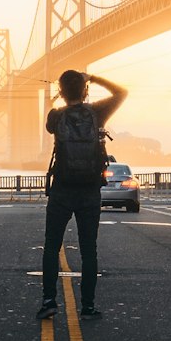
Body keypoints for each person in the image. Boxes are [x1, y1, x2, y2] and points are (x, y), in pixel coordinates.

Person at [37, 70, 127, 321]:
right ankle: (87, 306)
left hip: (62, 190)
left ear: (62, 92)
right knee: (89, 250)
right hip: (89, 191)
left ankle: (48, 302)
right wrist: (95, 78)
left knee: (52, 247)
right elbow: (122, 92)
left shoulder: (56, 116)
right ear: (84, 90)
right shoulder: (97, 113)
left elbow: (49, 126)